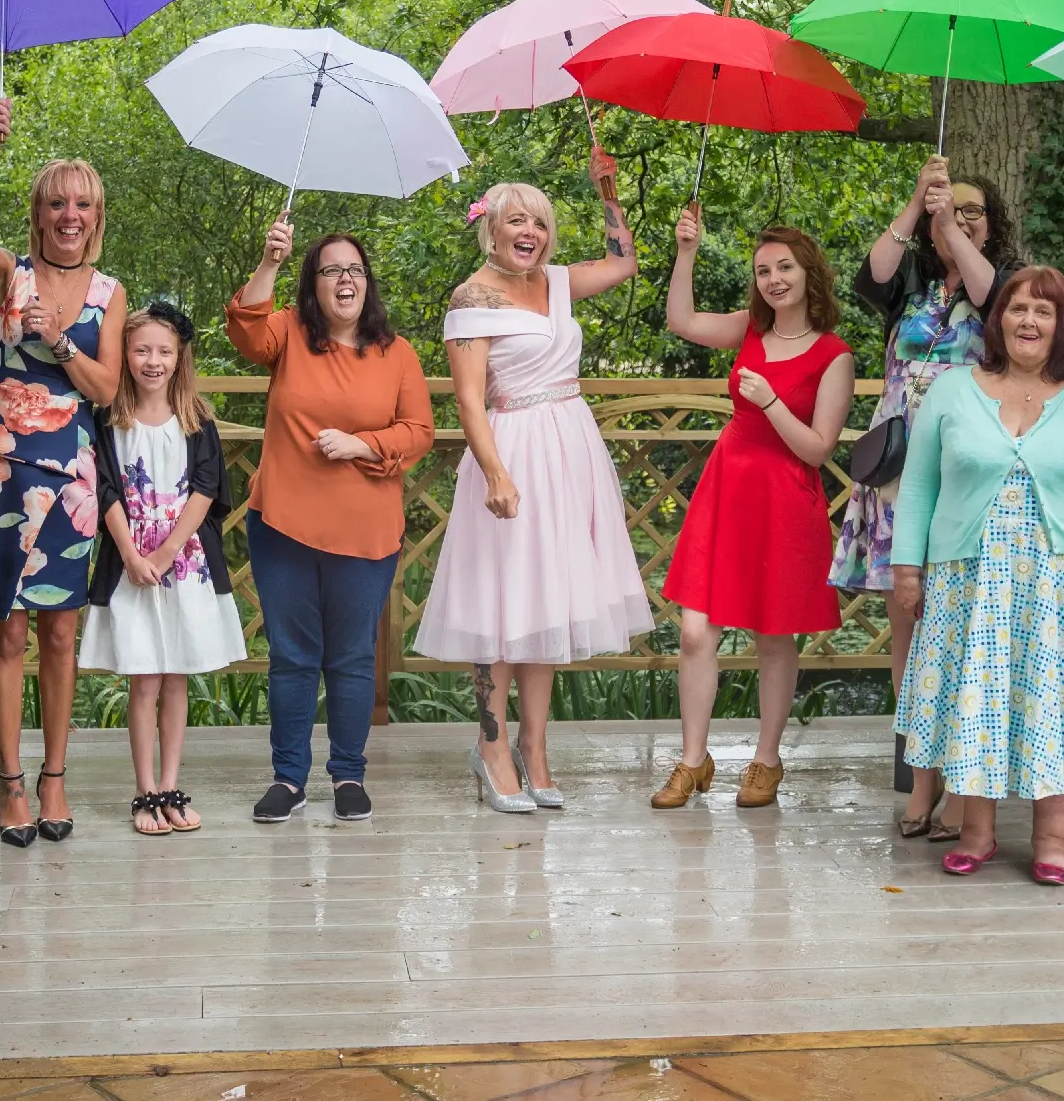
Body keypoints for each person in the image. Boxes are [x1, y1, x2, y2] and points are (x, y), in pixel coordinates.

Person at [890, 267, 1064, 885]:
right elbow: (921, 483)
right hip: (967, 582)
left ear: (1062, 325)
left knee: (1052, 702)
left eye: (1043, 311)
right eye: (1016, 309)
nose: (1028, 321)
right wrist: (907, 567)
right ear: (997, 319)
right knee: (974, 698)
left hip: (1063, 583)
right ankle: (977, 831)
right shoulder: (954, 390)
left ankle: (1053, 838)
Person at [415, 155, 653, 812]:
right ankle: (492, 748)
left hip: (570, 448)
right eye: (516, 220)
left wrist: (609, 197)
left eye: (540, 223)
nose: (530, 232)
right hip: (512, 448)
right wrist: (495, 472)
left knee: (548, 604)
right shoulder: (473, 297)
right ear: (490, 229)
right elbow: (467, 400)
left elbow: (623, 263)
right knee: (501, 606)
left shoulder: (557, 282)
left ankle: (536, 747)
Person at [0, 97, 128, 846]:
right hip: (1, 476)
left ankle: (55, 775)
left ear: (96, 215)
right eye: (57, 202)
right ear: (39, 212)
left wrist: (59, 341)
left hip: (73, 483)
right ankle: (10, 782)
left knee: (61, 635)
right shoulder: (8, 277)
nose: (69, 214)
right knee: (8, 635)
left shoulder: (107, 294)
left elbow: (108, 389)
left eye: (82, 203)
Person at [830, 155, 1015, 841]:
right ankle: (921, 780)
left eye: (973, 210)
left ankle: (965, 787)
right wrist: (916, 203)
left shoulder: (1003, 287)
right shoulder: (909, 287)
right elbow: (870, 274)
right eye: (950, 203)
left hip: (966, 470)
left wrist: (952, 225)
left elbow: (994, 298)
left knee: (964, 626)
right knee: (908, 624)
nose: (957, 215)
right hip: (900, 468)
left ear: (990, 228)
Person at [227, 219, 433, 823]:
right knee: (292, 655)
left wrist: (362, 444)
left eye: (355, 271)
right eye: (331, 271)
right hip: (283, 522)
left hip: (365, 530)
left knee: (349, 657)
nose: (345, 280)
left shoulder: (396, 353)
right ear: (312, 284)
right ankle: (288, 779)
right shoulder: (288, 335)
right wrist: (267, 261)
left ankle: (348, 774)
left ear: (368, 284)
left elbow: (419, 431)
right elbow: (244, 330)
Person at [652, 207, 855, 809]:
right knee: (695, 633)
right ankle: (694, 761)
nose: (773, 279)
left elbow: (817, 449)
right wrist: (686, 250)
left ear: (807, 273)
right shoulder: (748, 329)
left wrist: (770, 403)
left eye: (784, 267)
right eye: (763, 270)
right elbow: (682, 320)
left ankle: (766, 761)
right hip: (729, 492)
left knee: (773, 637)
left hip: (785, 501)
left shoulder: (833, 355)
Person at [80, 302, 246, 834]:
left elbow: (205, 488)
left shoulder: (197, 419)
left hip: (184, 564)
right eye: (142, 350)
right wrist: (130, 552)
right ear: (125, 355)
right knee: (144, 678)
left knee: (177, 677)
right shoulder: (110, 420)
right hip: (131, 565)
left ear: (180, 357)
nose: (153, 361)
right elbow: (104, 485)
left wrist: (167, 550)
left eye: (164, 351)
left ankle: (172, 785)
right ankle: (144, 790)